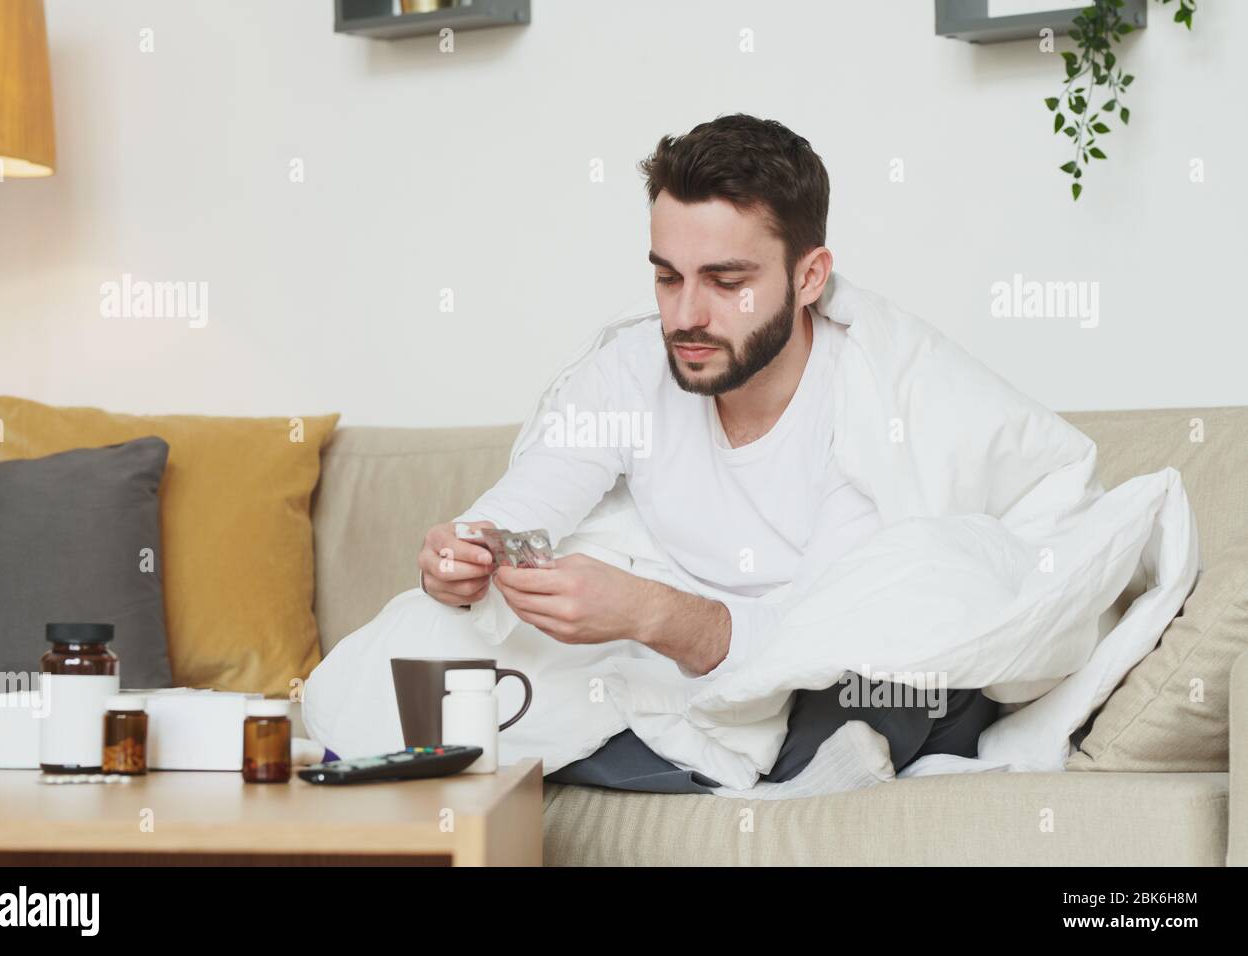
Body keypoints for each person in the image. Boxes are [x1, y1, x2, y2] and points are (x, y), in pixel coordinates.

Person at [306, 113, 1000, 792]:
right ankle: (772, 775)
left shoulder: (874, 408)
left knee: (899, 673)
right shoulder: (632, 367)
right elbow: (530, 499)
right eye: (668, 277)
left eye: (727, 283)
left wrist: (652, 613)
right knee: (420, 644)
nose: (686, 315)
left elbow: (826, 628)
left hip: (806, 655)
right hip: (672, 661)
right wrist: (465, 551)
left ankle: (770, 767)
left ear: (810, 276)